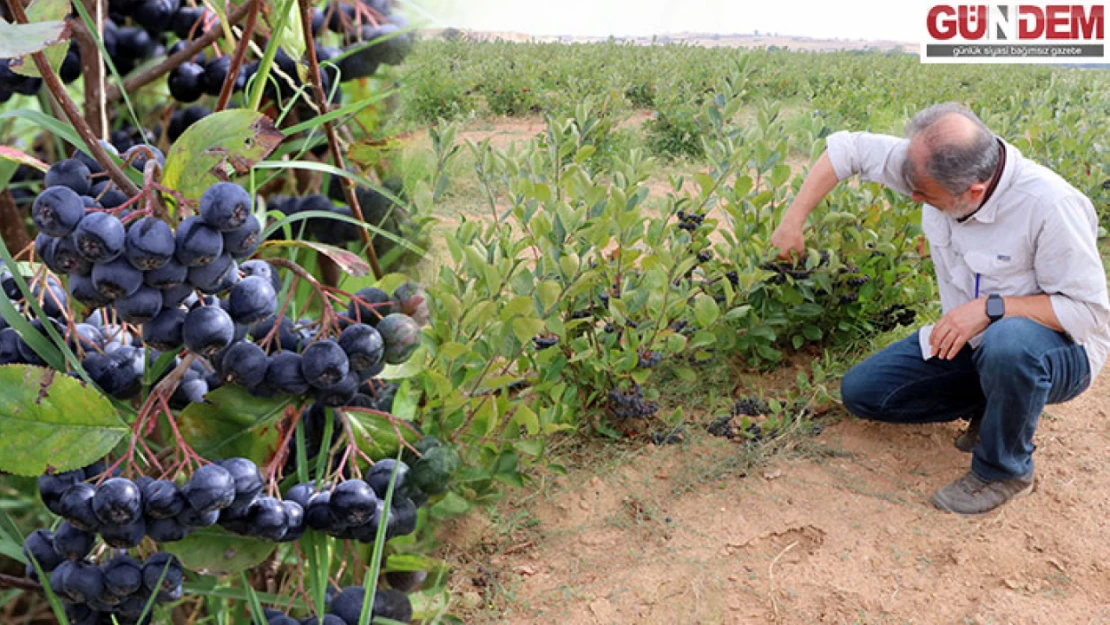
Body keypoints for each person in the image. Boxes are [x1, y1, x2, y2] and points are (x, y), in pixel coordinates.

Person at [770, 102, 1109, 515]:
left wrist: (991, 307)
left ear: (973, 192)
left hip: (1058, 352)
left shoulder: (1050, 205)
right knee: (864, 393)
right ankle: (994, 403)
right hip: (971, 338)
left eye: (924, 197)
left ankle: (1004, 470)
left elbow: (1089, 313)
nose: (913, 197)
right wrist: (793, 219)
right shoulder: (927, 166)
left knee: (1009, 341)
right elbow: (848, 150)